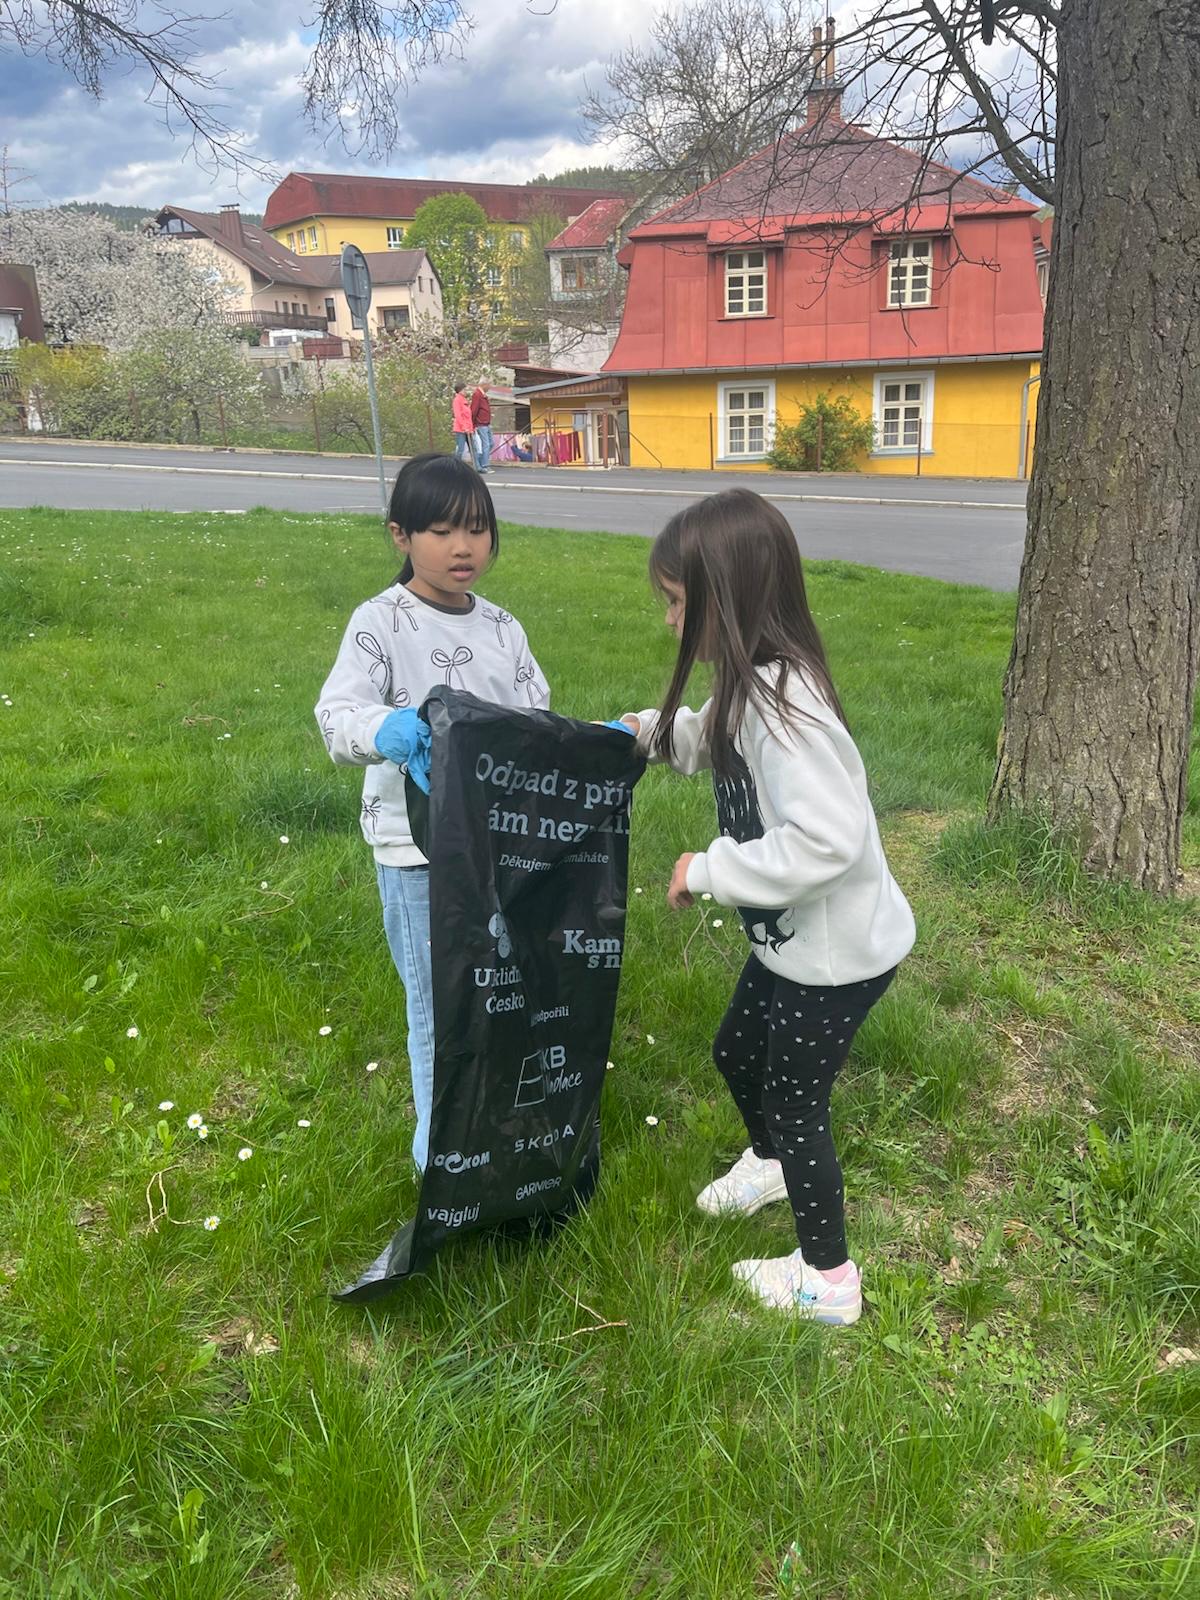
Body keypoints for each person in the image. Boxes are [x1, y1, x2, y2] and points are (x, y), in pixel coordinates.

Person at [621, 489, 915, 1327]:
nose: (670, 621)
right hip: (796, 945)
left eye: (678, 603)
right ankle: (771, 1164)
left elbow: (828, 842)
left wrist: (709, 868)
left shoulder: (787, 710)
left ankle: (828, 1279)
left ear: (730, 597)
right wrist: (639, 732)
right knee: (735, 1052)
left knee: (795, 1101)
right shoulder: (749, 688)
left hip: (838, 956)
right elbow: (703, 737)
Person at [315, 453, 550, 1170]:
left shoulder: (503, 629)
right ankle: (442, 1164)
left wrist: (574, 746)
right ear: (400, 534)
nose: (462, 547)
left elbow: (535, 717)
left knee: (501, 995)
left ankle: (505, 1137)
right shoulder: (381, 623)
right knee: (438, 1010)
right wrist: (384, 729)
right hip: (415, 854)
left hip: (496, 850)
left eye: (476, 529)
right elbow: (336, 715)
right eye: (442, 531)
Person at [470, 380, 493, 473]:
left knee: (491, 443)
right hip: (481, 423)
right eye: (489, 385)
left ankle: (481, 461)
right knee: (486, 444)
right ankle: (484, 465)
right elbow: (474, 409)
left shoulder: (483, 395)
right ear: (484, 385)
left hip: (486, 423)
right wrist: (473, 423)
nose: (490, 387)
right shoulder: (477, 394)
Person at [451, 383, 474, 463]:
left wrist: (471, 428)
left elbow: (468, 416)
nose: (466, 391)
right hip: (461, 429)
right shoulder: (457, 400)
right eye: (464, 389)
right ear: (460, 390)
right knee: (460, 448)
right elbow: (458, 415)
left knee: (473, 448)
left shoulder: (464, 400)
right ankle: (455, 464)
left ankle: (477, 466)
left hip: (468, 428)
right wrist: (464, 427)